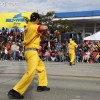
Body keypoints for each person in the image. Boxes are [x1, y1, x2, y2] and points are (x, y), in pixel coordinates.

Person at [8, 12, 50, 99]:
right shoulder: (34, 27)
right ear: (37, 19)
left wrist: (42, 33)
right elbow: (45, 27)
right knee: (30, 72)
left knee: (41, 67)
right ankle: (16, 90)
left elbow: (37, 35)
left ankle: (42, 85)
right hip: (32, 52)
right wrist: (45, 30)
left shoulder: (28, 27)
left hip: (29, 51)